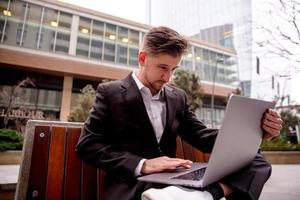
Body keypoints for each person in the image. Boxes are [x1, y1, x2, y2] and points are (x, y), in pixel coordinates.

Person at [76, 26, 283, 200]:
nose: (168, 78)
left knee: (257, 162)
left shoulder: (177, 97)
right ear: (142, 58)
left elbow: (201, 136)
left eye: (173, 70)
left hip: (175, 183)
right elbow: (87, 145)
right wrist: (143, 164)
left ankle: (206, 195)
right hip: (132, 183)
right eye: (162, 67)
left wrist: (252, 132)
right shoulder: (111, 93)